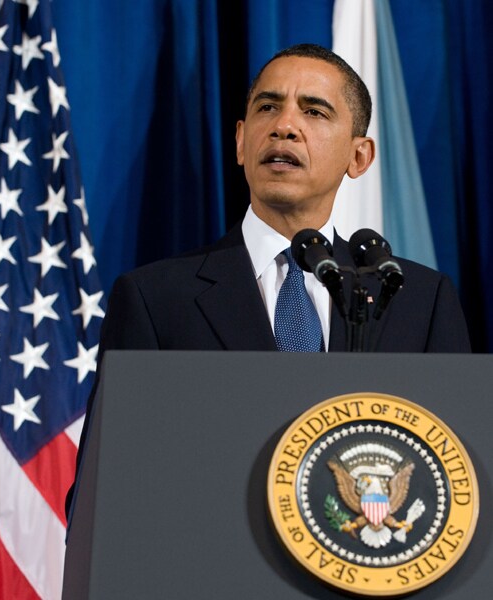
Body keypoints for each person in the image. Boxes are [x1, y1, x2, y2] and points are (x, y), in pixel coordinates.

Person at [65, 43, 470, 518]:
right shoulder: (155, 299)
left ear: (359, 157)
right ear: (241, 141)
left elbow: (453, 480)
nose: (284, 126)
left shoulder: (416, 300)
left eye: (314, 111)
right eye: (268, 107)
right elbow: (106, 488)